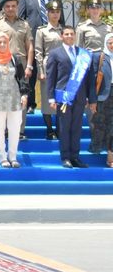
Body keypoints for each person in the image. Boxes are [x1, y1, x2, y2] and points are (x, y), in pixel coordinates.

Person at [45, 26, 97, 169]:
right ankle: (65, 157)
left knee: (76, 128)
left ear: (75, 36)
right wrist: (51, 98)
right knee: (64, 127)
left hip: (80, 97)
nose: (69, 36)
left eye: (72, 34)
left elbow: (90, 79)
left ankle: (75, 157)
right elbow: (51, 77)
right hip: (63, 97)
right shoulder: (55, 53)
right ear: (61, 36)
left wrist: (91, 98)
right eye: (66, 34)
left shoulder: (83, 54)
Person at [0, 32, 30, 168]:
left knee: (15, 129)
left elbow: (22, 79)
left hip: (14, 100)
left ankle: (13, 156)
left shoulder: (15, 59)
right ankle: (2, 157)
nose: (2, 45)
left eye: (4, 42)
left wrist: (24, 94)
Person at [34, 0, 65, 140]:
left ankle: (60, 129)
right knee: (47, 99)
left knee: (61, 98)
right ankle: (49, 129)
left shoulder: (64, 30)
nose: (55, 14)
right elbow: (38, 51)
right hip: (49, 66)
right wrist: (40, 70)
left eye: (57, 12)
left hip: (63, 68)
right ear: (47, 13)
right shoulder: (42, 31)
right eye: (52, 12)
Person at [89, 33, 113, 168]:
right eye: (110, 42)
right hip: (103, 95)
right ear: (105, 43)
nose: (112, 45)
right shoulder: (99, 57)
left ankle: (110, 155)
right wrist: (92, 99)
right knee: (100, 124)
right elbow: (92, 79)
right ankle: (98, 148)